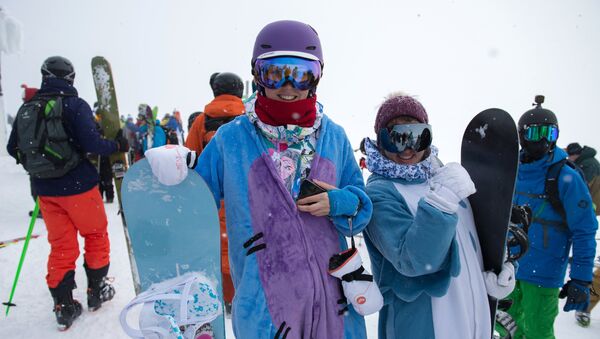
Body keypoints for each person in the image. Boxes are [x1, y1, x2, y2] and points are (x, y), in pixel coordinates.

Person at [150, 20, 373, 338]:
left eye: (301, 73)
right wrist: (175, 178)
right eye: (274, 72)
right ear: (256, 75)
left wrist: (338, 201)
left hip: (333, 309)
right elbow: (194, 207)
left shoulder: (334, 137)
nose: (287, 85)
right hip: (265, 312)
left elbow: (360, 211)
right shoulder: (231, 140)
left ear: (317, 76)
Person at [362, 93, 515, 338]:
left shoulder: (445, 181)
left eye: (417, 137)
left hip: (471, 318)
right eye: (396, 139)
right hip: (420, 326)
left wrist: (493, 274)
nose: (407, 149)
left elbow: (469, 246)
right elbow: (415, 261)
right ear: (380, 141)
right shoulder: (380, 194)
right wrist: (442, 200)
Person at [6, 56, 129, 330]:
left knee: (61, 244)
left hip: (45, 191)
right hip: (78, 187)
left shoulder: (28, 108)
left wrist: (39, 168)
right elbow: (92, 143)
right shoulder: (75, 105)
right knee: (95, 234)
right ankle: (97, 290)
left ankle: (63, 304)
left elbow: (13, 147)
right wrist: (116, 144)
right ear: (70, 77)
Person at [508, 96, 598, 338]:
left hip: (543, 274)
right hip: (508, 269)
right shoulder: (511, 169)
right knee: (507, 329)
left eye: (551, 133)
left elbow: (585, 229)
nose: (545, 140)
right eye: (537, 133)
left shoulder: (565, 177)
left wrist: (580, 278)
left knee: (537, 332)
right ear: (522, 135)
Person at [185, 71, 246, 315]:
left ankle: (228, 295)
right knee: (247, 240)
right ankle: (246, 289)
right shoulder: (248, 118)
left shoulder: (202, 121)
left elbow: (191, 154)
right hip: (246, 192)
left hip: (215, 194)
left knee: (222, 243)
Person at [565, 142, 600, 327]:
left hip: (588, 212)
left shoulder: (588, 166)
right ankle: (585, 308)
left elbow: (582, 192)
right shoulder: (588, 162)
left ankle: (584, 308)